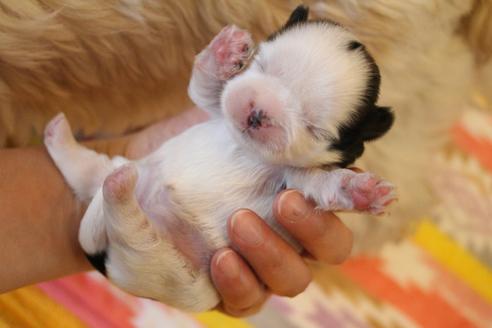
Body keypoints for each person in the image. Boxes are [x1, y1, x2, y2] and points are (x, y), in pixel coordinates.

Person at [0, 108, 353, 317]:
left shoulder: (308, 158)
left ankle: (113, 202)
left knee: (122, 191)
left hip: (178, 258)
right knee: (113, 172)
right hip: (145, 183)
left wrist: (339, 189)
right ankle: (95, 184)